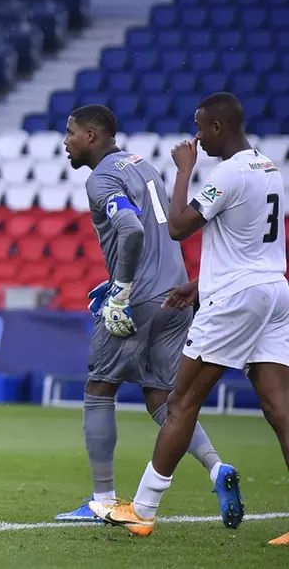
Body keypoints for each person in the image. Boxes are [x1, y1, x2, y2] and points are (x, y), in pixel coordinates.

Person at [89, 93, 289, 546]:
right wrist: (200, 284)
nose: (196, 136)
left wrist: (183, 169)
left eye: (200, 127)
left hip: (237, 301)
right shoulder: (269, 168)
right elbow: (250, 246)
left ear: (218, 127)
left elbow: (177, 225)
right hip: (274, 292)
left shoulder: (228, 172)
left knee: (180, 403)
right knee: (281, 410)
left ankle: (141, 510)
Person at [56, 104, 237, 526]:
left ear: (92, 137)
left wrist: (120, 288)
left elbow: (132, 229)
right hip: (176, 297)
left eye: (70, 132)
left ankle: (102, 500)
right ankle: (217, 468)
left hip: (137, 299)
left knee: (99, 388)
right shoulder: (142, 166)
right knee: (164, 399)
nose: (65, 141)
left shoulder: (102, 177)